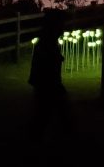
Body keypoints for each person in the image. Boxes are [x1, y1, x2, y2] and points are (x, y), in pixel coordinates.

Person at [28, 9, 73, 140]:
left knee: (45, 115)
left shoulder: (49, 40)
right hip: (48, 84)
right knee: (45, 114)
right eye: (61, 23)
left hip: (48, 83)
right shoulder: (47, 42)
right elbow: (44, 63)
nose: (63, 27)